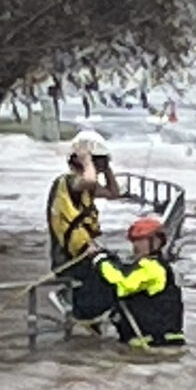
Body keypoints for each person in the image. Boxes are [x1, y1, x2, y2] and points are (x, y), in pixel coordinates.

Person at [47, 130, 120, 323]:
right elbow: (89, 180)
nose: (97, 167)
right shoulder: (69, 182)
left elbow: (113, 193)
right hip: (67, 257)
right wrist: (87, 160)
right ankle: (73, 304)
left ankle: (90, 314)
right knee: (102, 277)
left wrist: (107, 169)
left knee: (115, 270)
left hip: (83, 251)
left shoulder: (87, 188)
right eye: (96, 162)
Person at [92, 217, 185, 348]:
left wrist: (100, 262)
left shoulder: (153, 268)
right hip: (151, 344)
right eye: (134, 241)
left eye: (141, 241)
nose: (136, 246)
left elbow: (123, 285)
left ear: (157, 242)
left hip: (155, 346)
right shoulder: (147, 266)